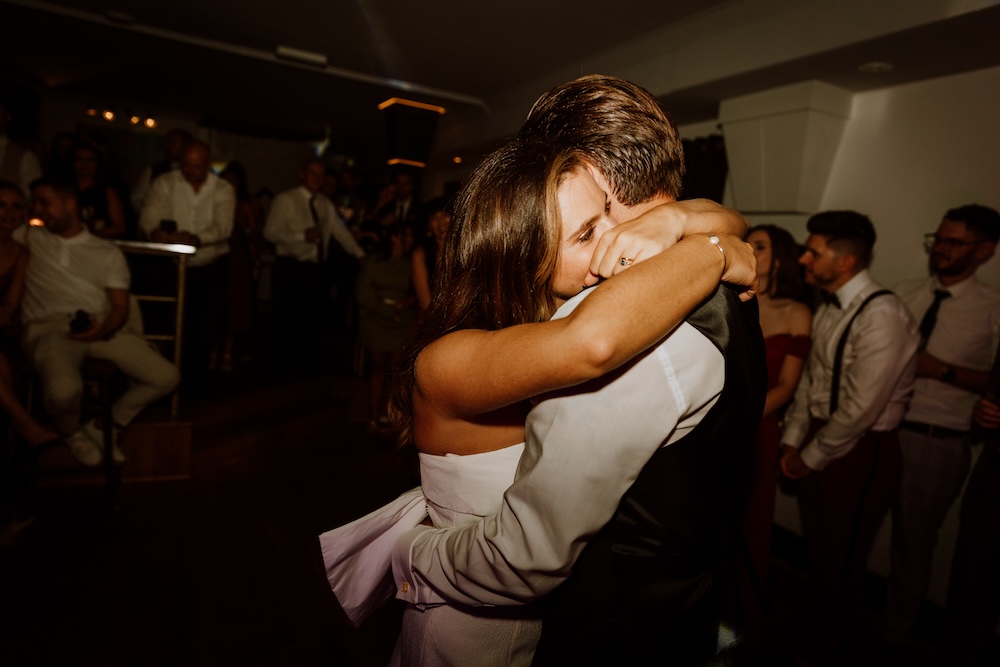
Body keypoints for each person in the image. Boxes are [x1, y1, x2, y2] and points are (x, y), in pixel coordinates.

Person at [321, 75, 763, 666]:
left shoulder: (596, 308)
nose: (612, 239)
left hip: (565, 623)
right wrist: (714, 248)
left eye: (606, 212)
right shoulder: (467, 355)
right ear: (527, 257)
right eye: (584, 230)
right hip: (469, 618)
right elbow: (592, 340)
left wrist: (690, 225)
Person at [779, 210, 919, 665]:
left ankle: (845, 648)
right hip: (824, 437)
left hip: (863, 449)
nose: (803, 258)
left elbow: (861, 409)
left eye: (814, 252)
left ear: (844, 262)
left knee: (844, 560)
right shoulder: (828, 305)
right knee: (821, 553)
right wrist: (793, 440)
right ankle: (818, 637)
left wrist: (810, 455)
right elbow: (813, 384)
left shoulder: (884, 314)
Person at [885, 204, 1000, 646]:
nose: (941, 250)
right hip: (881, 427)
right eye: (939, 239)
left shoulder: (991, 309)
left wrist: (944, 371)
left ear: (985, 251)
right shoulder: (905, 292)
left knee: (913, 548)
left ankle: (896, 639)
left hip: (935, 438)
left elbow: (996, 378)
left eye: (955, 242)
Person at [21, 178, 179, 466]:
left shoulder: (106, 252)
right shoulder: (31, 237)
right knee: (63, 391)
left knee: (166, 377)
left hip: (98, 326)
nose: (38, 209)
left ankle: (105, 425)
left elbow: (120, 306)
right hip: (50, 327)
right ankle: (71, 434)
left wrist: (104, 329)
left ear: (70, 204)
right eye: (35, 203)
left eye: (45, 202)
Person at [739, 225, 812, 628]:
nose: (750, 248)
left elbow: (787, 386)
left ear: (780, 257)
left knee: (752, 514)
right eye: (748, 241)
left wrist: (742, 418)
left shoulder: (796, 312)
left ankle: (746, 609)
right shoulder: (730, 297)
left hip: (760, 424)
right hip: (715, 421)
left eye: (761, 246)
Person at [139, 140, 234, 393]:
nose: (191, 171)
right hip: (171, 265)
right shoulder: (165, 183)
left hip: (210, 266)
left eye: (197, 166)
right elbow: (148, 217)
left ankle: (195, 385)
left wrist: (195, 238)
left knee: (205, 328)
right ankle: (169, 381)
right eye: (187, 165)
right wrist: (157, 232)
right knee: (172, 325)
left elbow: (224, 227)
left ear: (207, 164)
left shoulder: (223, 188)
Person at [0, 180, 56, 446]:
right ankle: (22, 423)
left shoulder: (22, 252)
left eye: (16, 207)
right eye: (1, 205)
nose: (8, 213)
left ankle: (20, 425)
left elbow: (10, 306)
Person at [354, 223, 415, 428]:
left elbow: (420, 290)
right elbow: (363, 294)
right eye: (406, 236)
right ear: (395, 238)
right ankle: (372, 413)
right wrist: (388, 311)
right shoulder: (376, 262)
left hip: (402, 322)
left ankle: (390, 413)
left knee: (396, 372)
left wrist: (404, 305)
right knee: (377, 369)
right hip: (376, 320)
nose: (410, 241)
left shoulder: (412, 263)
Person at [71, 140, 127, 239]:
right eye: (80, 159)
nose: (85, 164)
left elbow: (119, 227)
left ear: (97, 163)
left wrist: (89, 237)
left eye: (90, 160)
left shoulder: (107, 192)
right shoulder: (63, 190)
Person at [411, 197, 450, 314]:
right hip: (434, 320)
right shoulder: (421, 254)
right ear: (428, 225)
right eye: (434, 219)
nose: (441, 223)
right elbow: (425, 301)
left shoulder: (466, 248)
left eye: (445, 215)